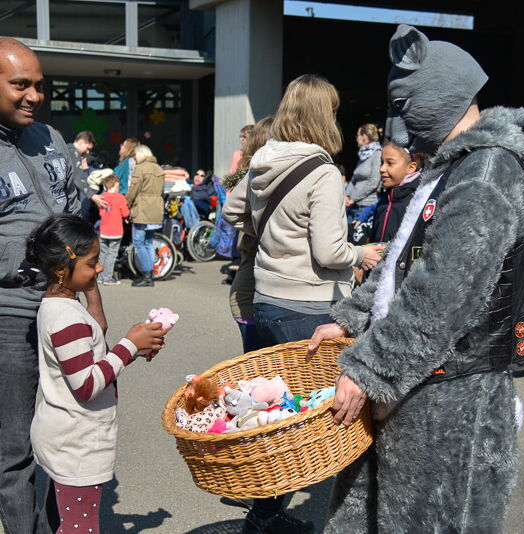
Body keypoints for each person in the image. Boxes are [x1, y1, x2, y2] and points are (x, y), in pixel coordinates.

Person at [309, 24, 524, 534]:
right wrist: (353, 316)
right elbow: (402, 263)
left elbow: (440, 294)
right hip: (415, 387)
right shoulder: (450, 168)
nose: (401, 117)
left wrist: (370, 368)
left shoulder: (486, 173)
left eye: (405, 102)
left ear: (441, 95)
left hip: (453, 398)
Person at [223, 74, 383, 534]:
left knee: (279, 414)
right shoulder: (323, 171)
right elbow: (330, 252)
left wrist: (270, 236)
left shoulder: (263, 159)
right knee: (318, 422)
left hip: (266, 300)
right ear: (322, 115)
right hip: (309, 306)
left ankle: (265, 512)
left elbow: (231, 211)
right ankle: (270, 517)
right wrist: (362, 254)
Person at [0, 37, 107, 534]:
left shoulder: (50, 138)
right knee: (16, 446)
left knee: (65, 434)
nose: (34, 96)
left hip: (66, 309)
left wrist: (93, 299)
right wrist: (25, 263)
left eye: (39, 86)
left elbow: (79, 225)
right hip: (10, 317)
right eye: (20, 85)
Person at [27, 213, 167, 534]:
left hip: (65, 435)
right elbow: (87, 384)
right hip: (77, 443)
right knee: (80, 528)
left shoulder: (58, 305)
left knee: (72, 523)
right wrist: (128, 346)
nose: (100, 268)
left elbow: (87, 363)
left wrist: (134, 350)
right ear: (61, 269)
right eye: (92, 263)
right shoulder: (67, 318)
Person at [222, 116, 274, 353]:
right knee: (258, 358)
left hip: (255, 278)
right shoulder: (256, 173)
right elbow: (231, 211)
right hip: (252, 282)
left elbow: (231, 211)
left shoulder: (259, 172)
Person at [126, 144, 165, 288]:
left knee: (138, 242)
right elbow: (162, 191)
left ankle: (146, 275)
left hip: (142, 208)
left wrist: (127, 203)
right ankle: (150, 275)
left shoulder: (140, 168)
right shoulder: (159, 169)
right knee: (148, 243)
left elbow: (133, 190)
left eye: (135, 156)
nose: (134, 159)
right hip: (155, 208)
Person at [370, 141, 424, 244]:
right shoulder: (385, 199)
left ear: (411, 168)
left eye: (390, 163)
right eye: (382, 162)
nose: (381, 169)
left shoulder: (419, 201)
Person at [344, 123, 382, 224]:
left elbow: (374, 182)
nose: (356, 138)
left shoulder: (377, 154)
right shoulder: (363, 155)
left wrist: (353, 198)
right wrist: (347, 196)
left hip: (366, 207)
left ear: (364, 136)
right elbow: (354, 179)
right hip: (353, 205)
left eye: (358, 135)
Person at [97, 174, 130, 285]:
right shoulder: (120, 197)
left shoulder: (102, 197)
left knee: (102, 254)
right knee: (111, 255)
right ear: (116, 185)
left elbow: (101, 212)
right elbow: (125, 213)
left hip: (104, 230)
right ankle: (108, 278)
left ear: (105, 186)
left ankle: (100, 277)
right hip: (116, 231)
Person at [67, 131, 107, 220]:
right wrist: (92, 196)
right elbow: (78, 179)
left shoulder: (66, 149)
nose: (88, 152)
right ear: (81, 142)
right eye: (87, 148)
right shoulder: (74, 152)